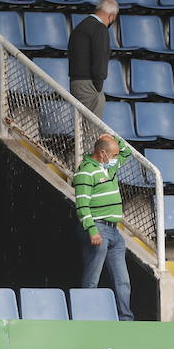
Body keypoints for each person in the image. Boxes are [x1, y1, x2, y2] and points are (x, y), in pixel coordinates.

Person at [73, 134, 134, 322]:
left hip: (114, 231)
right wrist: (92, 231)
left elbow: (127, 151)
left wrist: (113, 137)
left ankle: (126, 319)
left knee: (123, 281)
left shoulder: (111, 166)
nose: (117, 158)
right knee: (93, 278)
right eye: (113, 154)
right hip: (98, 228)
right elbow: (82, 205)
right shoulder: (85, 172)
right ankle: (86, 317)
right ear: (102, 153)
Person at [67, 0, 117, 117]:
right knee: (92, 129)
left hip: (75, 82)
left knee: (80, 126)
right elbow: (100, 57)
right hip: (89, 85)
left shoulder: (79, 27)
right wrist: (98, 85)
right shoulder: (100, 29)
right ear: (112, 16)